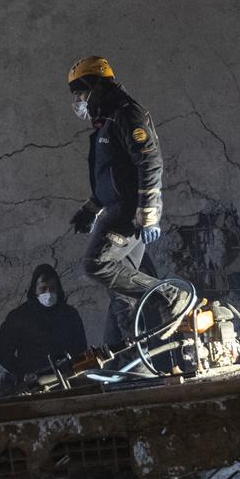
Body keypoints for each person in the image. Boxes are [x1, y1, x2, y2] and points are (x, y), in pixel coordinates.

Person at [65, 56, 192, 344]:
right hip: (116, 208)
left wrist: (147, 213)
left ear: (95, 87)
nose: (79, 101)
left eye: (80, 93)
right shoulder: (106, 122)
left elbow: (150, 162)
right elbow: (114, 176)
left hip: (129, 212)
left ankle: (171, 295)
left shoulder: (126, 114)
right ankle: (133, 357)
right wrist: (91, 208)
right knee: (122, 286)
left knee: (96, 264)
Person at [0, 264, 89, 389]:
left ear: (58, 289)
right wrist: (23, 373)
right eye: (43, 289)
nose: (48, 293)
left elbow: (80, 347)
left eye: (52, 288)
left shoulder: (70, 315)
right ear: (35, 290)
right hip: (33, 384)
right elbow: (3, 354)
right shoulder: (18, 317)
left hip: (68, 380)